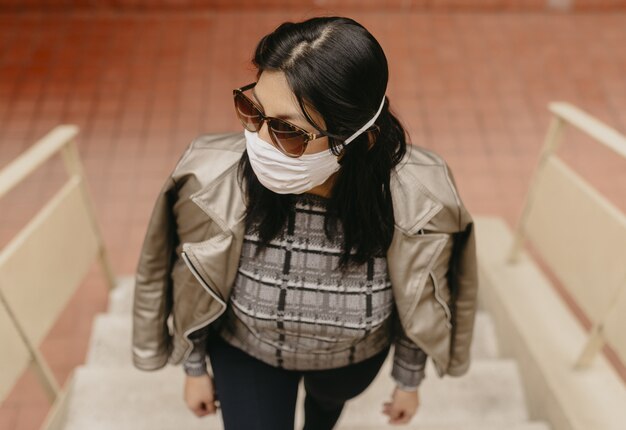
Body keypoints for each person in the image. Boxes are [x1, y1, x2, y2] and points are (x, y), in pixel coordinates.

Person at [131, 15, 479, 430]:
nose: (259, 141)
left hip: (348, 366)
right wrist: (193, 367)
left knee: (323, 414)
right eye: (252, 110)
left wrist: (408, 379)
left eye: (288, 131)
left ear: (358, 139)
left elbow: (424, 293)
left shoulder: (420, 198)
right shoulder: (206, 177)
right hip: (247, 354)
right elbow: (177, 274)